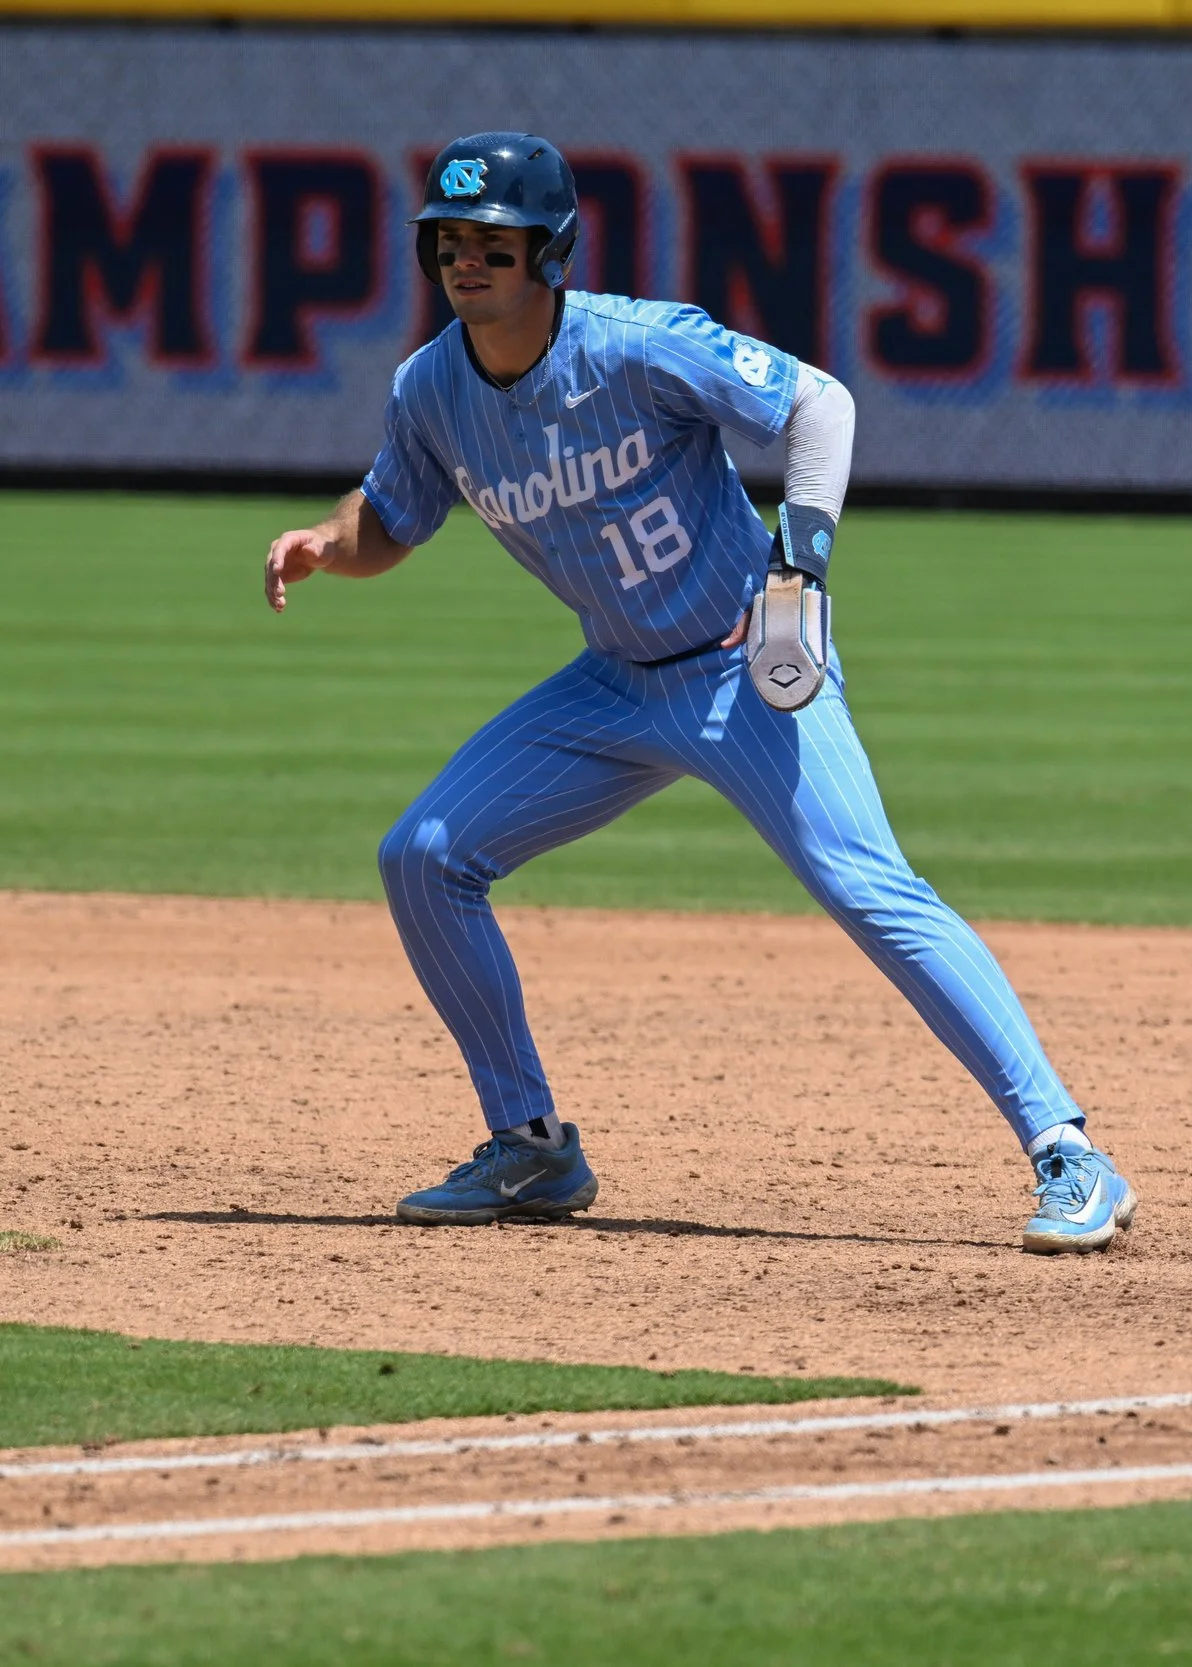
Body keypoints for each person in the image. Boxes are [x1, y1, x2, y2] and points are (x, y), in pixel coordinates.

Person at [262, 132, 1136, 1254]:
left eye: (495, 241)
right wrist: (327, 544)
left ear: (551, 253)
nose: (467, 259)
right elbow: (389, 516)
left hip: (746, 666)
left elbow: (820, 405)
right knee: (423, 855)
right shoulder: (430, 387)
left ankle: (1068, 1149)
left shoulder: (639, 345)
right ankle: (530, 1145)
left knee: (868, 887)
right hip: (615, 681)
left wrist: (799, 568)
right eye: (449, 240)